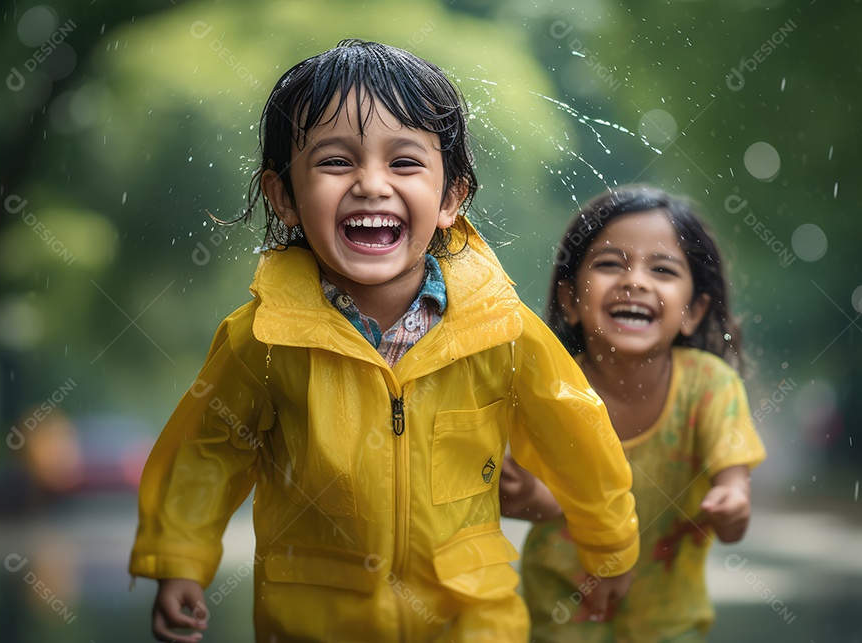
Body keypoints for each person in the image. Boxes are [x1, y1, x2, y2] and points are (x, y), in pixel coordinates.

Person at [128, 39, 639, 643]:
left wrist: (609, 545)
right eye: (336, 161)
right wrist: (178, 560)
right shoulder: (262, 341)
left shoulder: (501, 330)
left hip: (470, 616)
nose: (372, 185)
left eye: (404, 163)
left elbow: (575, 432)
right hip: (318, 619)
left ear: (451, 198)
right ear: (284, 197)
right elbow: (204, 453)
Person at [501, 185, 766, 642]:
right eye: (609, 264)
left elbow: (733, 479)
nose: (635, 281)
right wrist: (528, 494)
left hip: (669, 622)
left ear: (693, 311)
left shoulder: (709, 386)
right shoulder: (552, 391)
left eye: (662, 269)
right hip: (562, 612)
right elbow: (525, 501)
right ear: (570, 300)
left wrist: (733, 504)